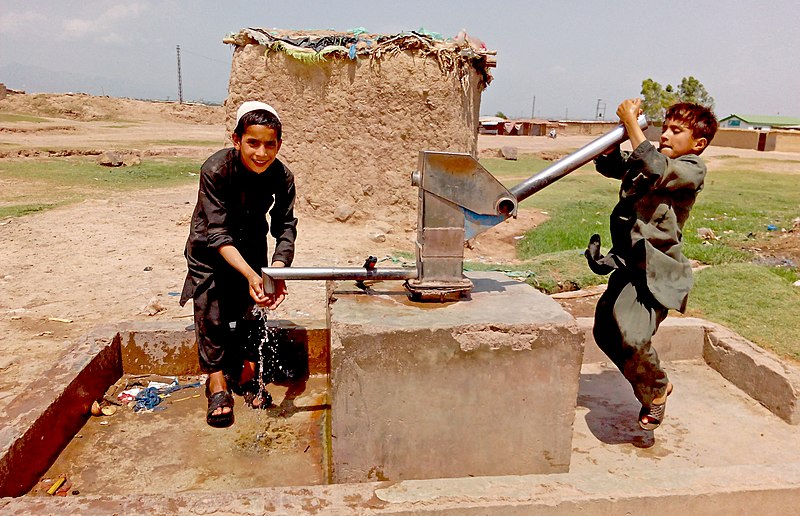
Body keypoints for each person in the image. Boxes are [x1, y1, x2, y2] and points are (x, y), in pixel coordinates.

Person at [585, 98, 717, 431]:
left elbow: (655, 167)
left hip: (657, 273)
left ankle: (656, 390)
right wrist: (614, 140)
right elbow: (614, 165)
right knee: (604, 332)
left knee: (633, 337)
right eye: (665, 128)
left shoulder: (690, 169)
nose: (666, 135)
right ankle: (651, 384)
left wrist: (631, 121)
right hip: (630, 267)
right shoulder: (650, 160)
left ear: (698, 144)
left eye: (677, 130)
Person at [180, 101, 297, 428]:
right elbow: (217, 232)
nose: (261, 152)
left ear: (279, 144)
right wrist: (249, 273)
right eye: (253, 143)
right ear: (236, 140)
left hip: (252, 242)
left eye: (269, 144)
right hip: (209, 246)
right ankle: (216, 382)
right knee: (212, 309)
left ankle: (246, 373)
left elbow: (285, 225)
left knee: (253, 307)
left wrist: (277, 268)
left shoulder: (281, 176)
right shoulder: (215, 170)